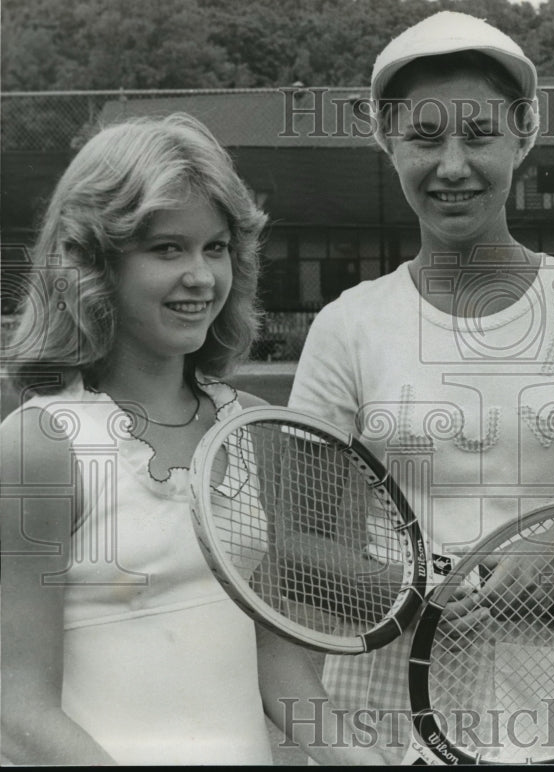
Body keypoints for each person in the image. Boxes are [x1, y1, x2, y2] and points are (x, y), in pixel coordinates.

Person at [288, 10, 554, 763]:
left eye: (478, 135)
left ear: (522, 137)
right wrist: (418, 596)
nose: (452, 165)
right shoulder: (348, 326)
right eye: (424, 137)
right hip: (388, 699)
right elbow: (293, 546)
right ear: (387, 143)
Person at [0, 114, 353, 765]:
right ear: (94, 263)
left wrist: (361, 758)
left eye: (215, 248)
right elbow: (17, 710)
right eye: (167, 249)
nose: (201, 276)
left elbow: (279, 669)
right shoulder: (41, 446)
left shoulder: (250, 427)